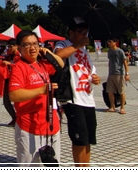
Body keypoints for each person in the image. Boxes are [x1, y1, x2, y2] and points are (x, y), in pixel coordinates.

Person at [9, 30, 64, 166]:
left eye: (35, 44)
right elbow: (14, 94)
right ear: (19, 48)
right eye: (27, 45)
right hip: (30, 127)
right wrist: (41, 90)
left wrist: (49, 53)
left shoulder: (41, 64)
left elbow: (61, 65)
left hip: (50, 125)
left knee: (52, 164)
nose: (32, 48)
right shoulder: (19, 67)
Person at [54, 17, 101, 167]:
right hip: (73, 99)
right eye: (80, 32)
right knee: (79, 139)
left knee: (88, 139)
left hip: (88, 97)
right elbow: (57, 56)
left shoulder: (84, 50)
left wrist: (95, 77)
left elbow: (90, 71)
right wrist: (77, 45)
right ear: (71, 32)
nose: (83, 35)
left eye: (85, 32)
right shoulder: (63, 44)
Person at [105, 39, 129, 114]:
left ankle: (122, 107)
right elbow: (110, 61)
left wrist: (127, 74)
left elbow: (125, 62)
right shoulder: (109, 51)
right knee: (110, 91)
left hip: (119, 73)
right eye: (108, 42)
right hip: (111, 74)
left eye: (110, 42)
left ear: (115, 42)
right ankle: (112, 107)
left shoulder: (120, 51)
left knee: (121, 91)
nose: (109, 43)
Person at [2, 38, 21, 127]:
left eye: (11, 46)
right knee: (6, 102)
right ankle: (14, 117)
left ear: (16, 46)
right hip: (8, 80)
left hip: (17, 81)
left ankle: (20, 119)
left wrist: (10, 64)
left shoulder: (20, 56)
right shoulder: (9, 56)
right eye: (8, 46)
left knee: (19, 101)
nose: (9, 48)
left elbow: (21, 67)